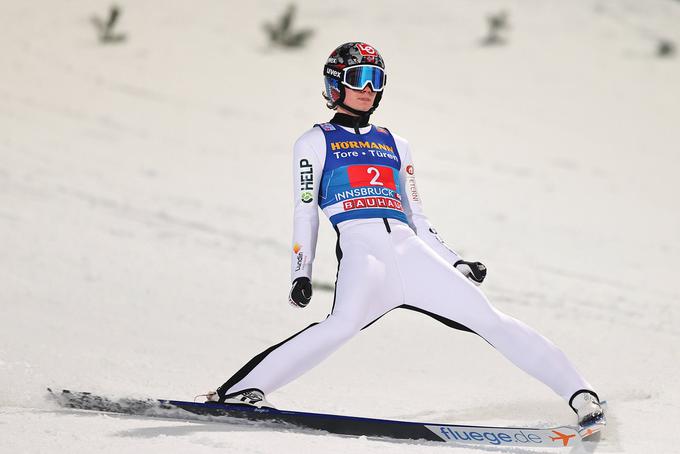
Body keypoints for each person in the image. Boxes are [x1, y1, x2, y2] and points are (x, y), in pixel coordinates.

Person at [205, 42, 605, 433]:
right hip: (365, 255)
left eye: (376, 79)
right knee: (340, 325)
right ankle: (237, 392)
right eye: (357, 78)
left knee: (490, 320)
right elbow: (305, 210)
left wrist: (454, 261)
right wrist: (301, 272)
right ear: (334, 84)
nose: (368, 88)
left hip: (410, 252)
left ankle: (581, 394)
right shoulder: (313, 142)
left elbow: (417, 217)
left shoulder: (397, 143)